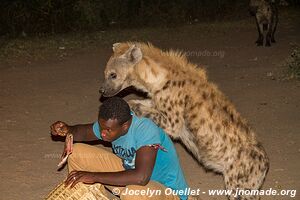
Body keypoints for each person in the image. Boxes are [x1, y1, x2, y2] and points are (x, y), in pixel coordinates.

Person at [50, 97, 189, 200]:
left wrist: (93, 176)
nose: (103, 133)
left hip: (166, 191)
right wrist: (67, 129)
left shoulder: (145, 129)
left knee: (133, 193)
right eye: (101, 127)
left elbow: (141, 177)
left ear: (125, 126)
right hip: (130, 175)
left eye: (108, 130)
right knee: (77, 152)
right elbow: (84, 132)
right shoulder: (110, 126)